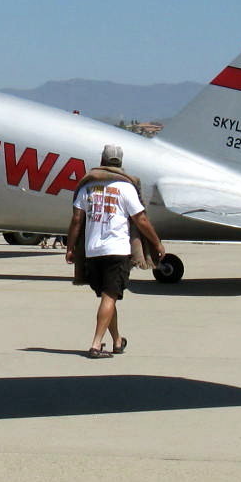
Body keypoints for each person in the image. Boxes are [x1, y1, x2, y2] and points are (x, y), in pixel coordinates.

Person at [65, 144, 165, 358]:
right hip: (117, 250)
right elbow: (141, 219)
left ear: (102, 160)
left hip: (93, 252)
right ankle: (95, 344)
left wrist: (70, 247)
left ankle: (117, 340)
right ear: (119, 163)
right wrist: (156, 243)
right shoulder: (126, 188)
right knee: (109, 297)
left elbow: (76, 221)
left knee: (107, 297)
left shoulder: (86, 188)